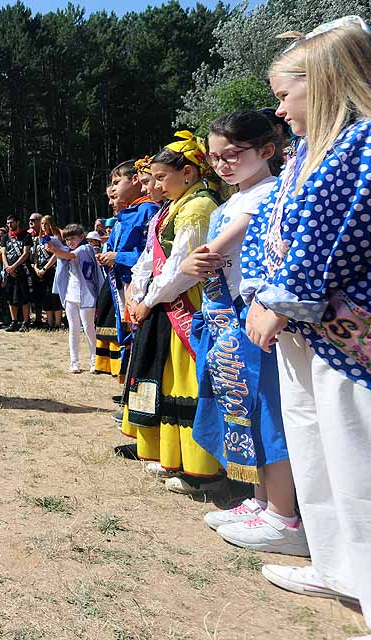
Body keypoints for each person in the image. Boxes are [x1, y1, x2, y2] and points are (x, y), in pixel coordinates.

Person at [239, 16, 371, 637]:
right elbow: (268, 233)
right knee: (320, 457)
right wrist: (263, 292)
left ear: (328, 79)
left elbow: (344, 240)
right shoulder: (309, 156)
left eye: (286, 94)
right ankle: (341, 568)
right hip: (302, 330)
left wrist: (279, 298)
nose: (278, 110)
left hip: (356, 336)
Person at [175, 110, 305, 556]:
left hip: (248, 316)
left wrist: (197, 259)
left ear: (266, 151)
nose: (223, 164)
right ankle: (261, 501)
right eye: (216, 157)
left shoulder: (266, 194)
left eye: (233, 154)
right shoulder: (234, 197)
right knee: (243, 413)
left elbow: (219, 247)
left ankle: (283, 513)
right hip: (226, 317)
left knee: (265, 412)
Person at [122, 134, 223, 494]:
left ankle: (200, 468)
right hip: (162, 303)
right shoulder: (173, 208)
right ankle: (172, 457)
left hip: (186, 304)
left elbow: (181, 267)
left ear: (189, 172)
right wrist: (136, 293)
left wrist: (148, 300)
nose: (156, 184)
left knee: (185, 382)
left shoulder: (198, 208)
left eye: (162, 177)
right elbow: (150, 258)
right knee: (166, 380)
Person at [94, 161, 162, 381]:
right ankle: (128, 384)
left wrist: (118, 257)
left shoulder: (149, 209)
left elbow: (151, 255)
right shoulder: (128, 213)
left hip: (141, 284)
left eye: (116, 182)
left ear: (134, 180)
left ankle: (134, 385)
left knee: (137, 335)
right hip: (125, 282)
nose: (112, 190)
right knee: (129, 334)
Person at [48, 224, 104, 373]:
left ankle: (95, 360)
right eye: (67, 239)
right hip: (70, 296)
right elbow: (65, 254)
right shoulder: (68, 250)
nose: (69, 242)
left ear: (81, 237)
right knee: (73, 329)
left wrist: (54, 249)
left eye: (73, 238)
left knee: (89, 328)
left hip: (86, 295)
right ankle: (74, 362)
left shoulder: (86, 249)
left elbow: (70, 256)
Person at [31, 216, 63, 330]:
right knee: (45, 297)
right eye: (43, 224)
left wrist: (45, 268)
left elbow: (56, 254)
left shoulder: (56, 237)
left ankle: (58, 323)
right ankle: (49, 323)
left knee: (55, 296)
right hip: (41, 272)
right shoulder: (39, 238)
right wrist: (36, 268)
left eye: (46, 223)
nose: (44, 226)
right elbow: (35, 255)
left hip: (53, 270)